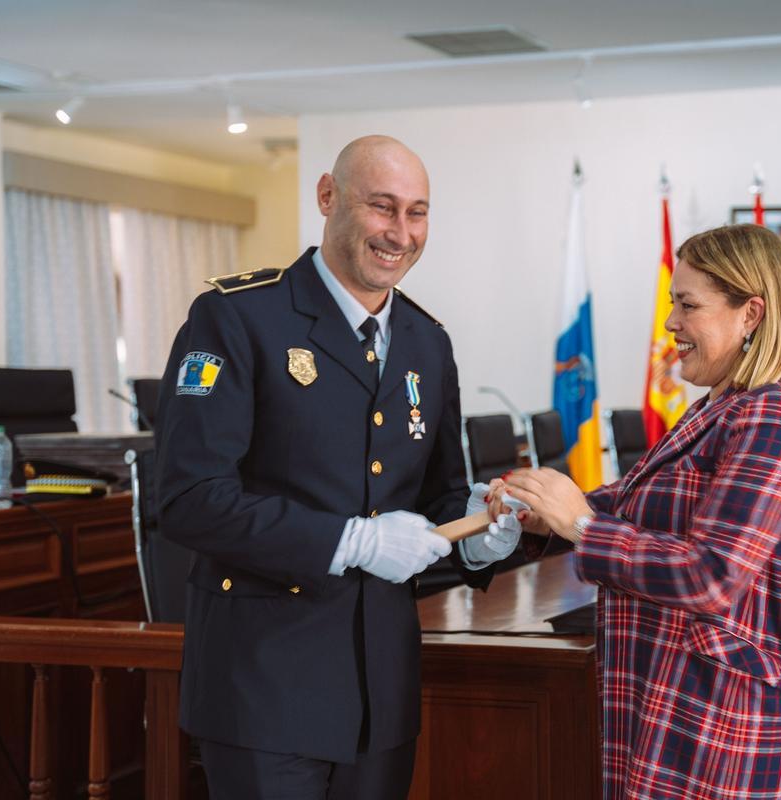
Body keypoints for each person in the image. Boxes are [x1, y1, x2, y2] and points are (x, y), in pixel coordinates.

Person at [156, 135, 520, 799]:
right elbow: (189, 497)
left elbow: (436, 499)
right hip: (263, 687)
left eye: (418, 212)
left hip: (380, 692)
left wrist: (477, 537)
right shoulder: (239, 318)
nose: (400, 233)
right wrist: (348, 540)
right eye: (382, 207)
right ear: (327, 196)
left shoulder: (425, 341)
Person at [500, 223, 781, 799]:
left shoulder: (778, 413)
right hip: (682, 699)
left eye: (687, 305)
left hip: (732, 722)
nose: (671, 323)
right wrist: (540, 512)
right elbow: (630, 503)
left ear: (750, 314)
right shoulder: (720, 407)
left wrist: (578, 523)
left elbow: (711, 575)